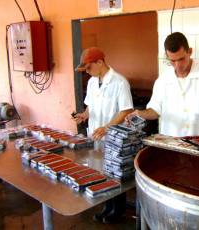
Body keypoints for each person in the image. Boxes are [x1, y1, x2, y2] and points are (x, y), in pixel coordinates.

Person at [126, 32, 199, 137]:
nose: (177, 66)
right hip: (171, 146)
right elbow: (155, 110)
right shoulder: (163, 80)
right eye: (172, 61)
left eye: (181, 59)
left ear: (190, 51)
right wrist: (140, 114)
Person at [73, 47, 133, 223]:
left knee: (115, 173)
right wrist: (84, 115)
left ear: (100, 62)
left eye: (89, 67)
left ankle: (118, 209)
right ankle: (107, 205)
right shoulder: (92, 82)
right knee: (100, 172)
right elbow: (90, 105)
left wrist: (107, 127)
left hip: (113, 138)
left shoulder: (120, 82)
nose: (88, 72)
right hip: (96, 136)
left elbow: (126, 110)